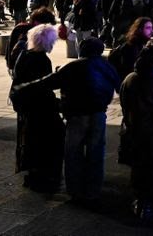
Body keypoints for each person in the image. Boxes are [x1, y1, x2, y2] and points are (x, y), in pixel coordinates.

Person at [31, 37, 119, 204]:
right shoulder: (106, 66)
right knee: (96, 152)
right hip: (99, 112)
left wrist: (24, 88)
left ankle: (75, 189)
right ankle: (93, 190)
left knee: (73, 152)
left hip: (77, 113)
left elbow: (48, 82)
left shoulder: (74, 66)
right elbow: (118, 84)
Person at [119, 42, 153, 220]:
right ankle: (150, 204)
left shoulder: (130, 78)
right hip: (151, 132)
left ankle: (140, 201)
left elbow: (124, 103)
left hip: (133, 130)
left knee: (139, 167)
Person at [12, 23, 64, 193]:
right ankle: (42, 174)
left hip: (26, 105)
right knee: (45, 139)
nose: (53, 45)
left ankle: (34, 173)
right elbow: (41, 86)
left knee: (31, 139)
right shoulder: (41, 59)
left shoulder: (24, 55)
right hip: (39, 107)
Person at [109, 17, 153, 82]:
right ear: (139, 30)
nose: (152, 31)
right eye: (148, 28)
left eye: (151, 28)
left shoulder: (141, 44)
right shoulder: (131, 47)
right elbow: (130, 70)